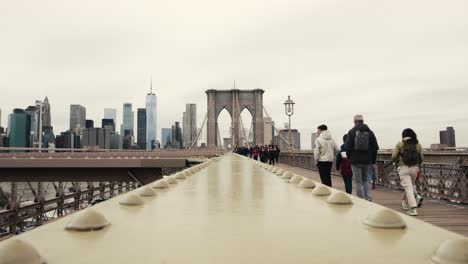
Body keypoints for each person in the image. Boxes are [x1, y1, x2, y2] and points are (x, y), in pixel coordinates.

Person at [345, 115, 379, 201]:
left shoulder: (351, 132)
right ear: (363, 121)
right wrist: (372, 159)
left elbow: (347, 147)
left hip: (355, 161)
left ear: (354, 122)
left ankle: (361, 200)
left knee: (358, 182)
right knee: (365, 180)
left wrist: (350, 158)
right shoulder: (370, 132)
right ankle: (368, 198)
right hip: (367, 160)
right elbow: (375, 147)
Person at [391, 128, 424, 216]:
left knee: (408, 188)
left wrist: (398, 163)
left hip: (403, 168)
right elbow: (422, 158)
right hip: (414, 168)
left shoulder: (400, 144)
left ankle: (413, 209)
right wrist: (417, 166)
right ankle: (405, 203)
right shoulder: (418, 144)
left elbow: (393, 156)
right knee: (410, 186)